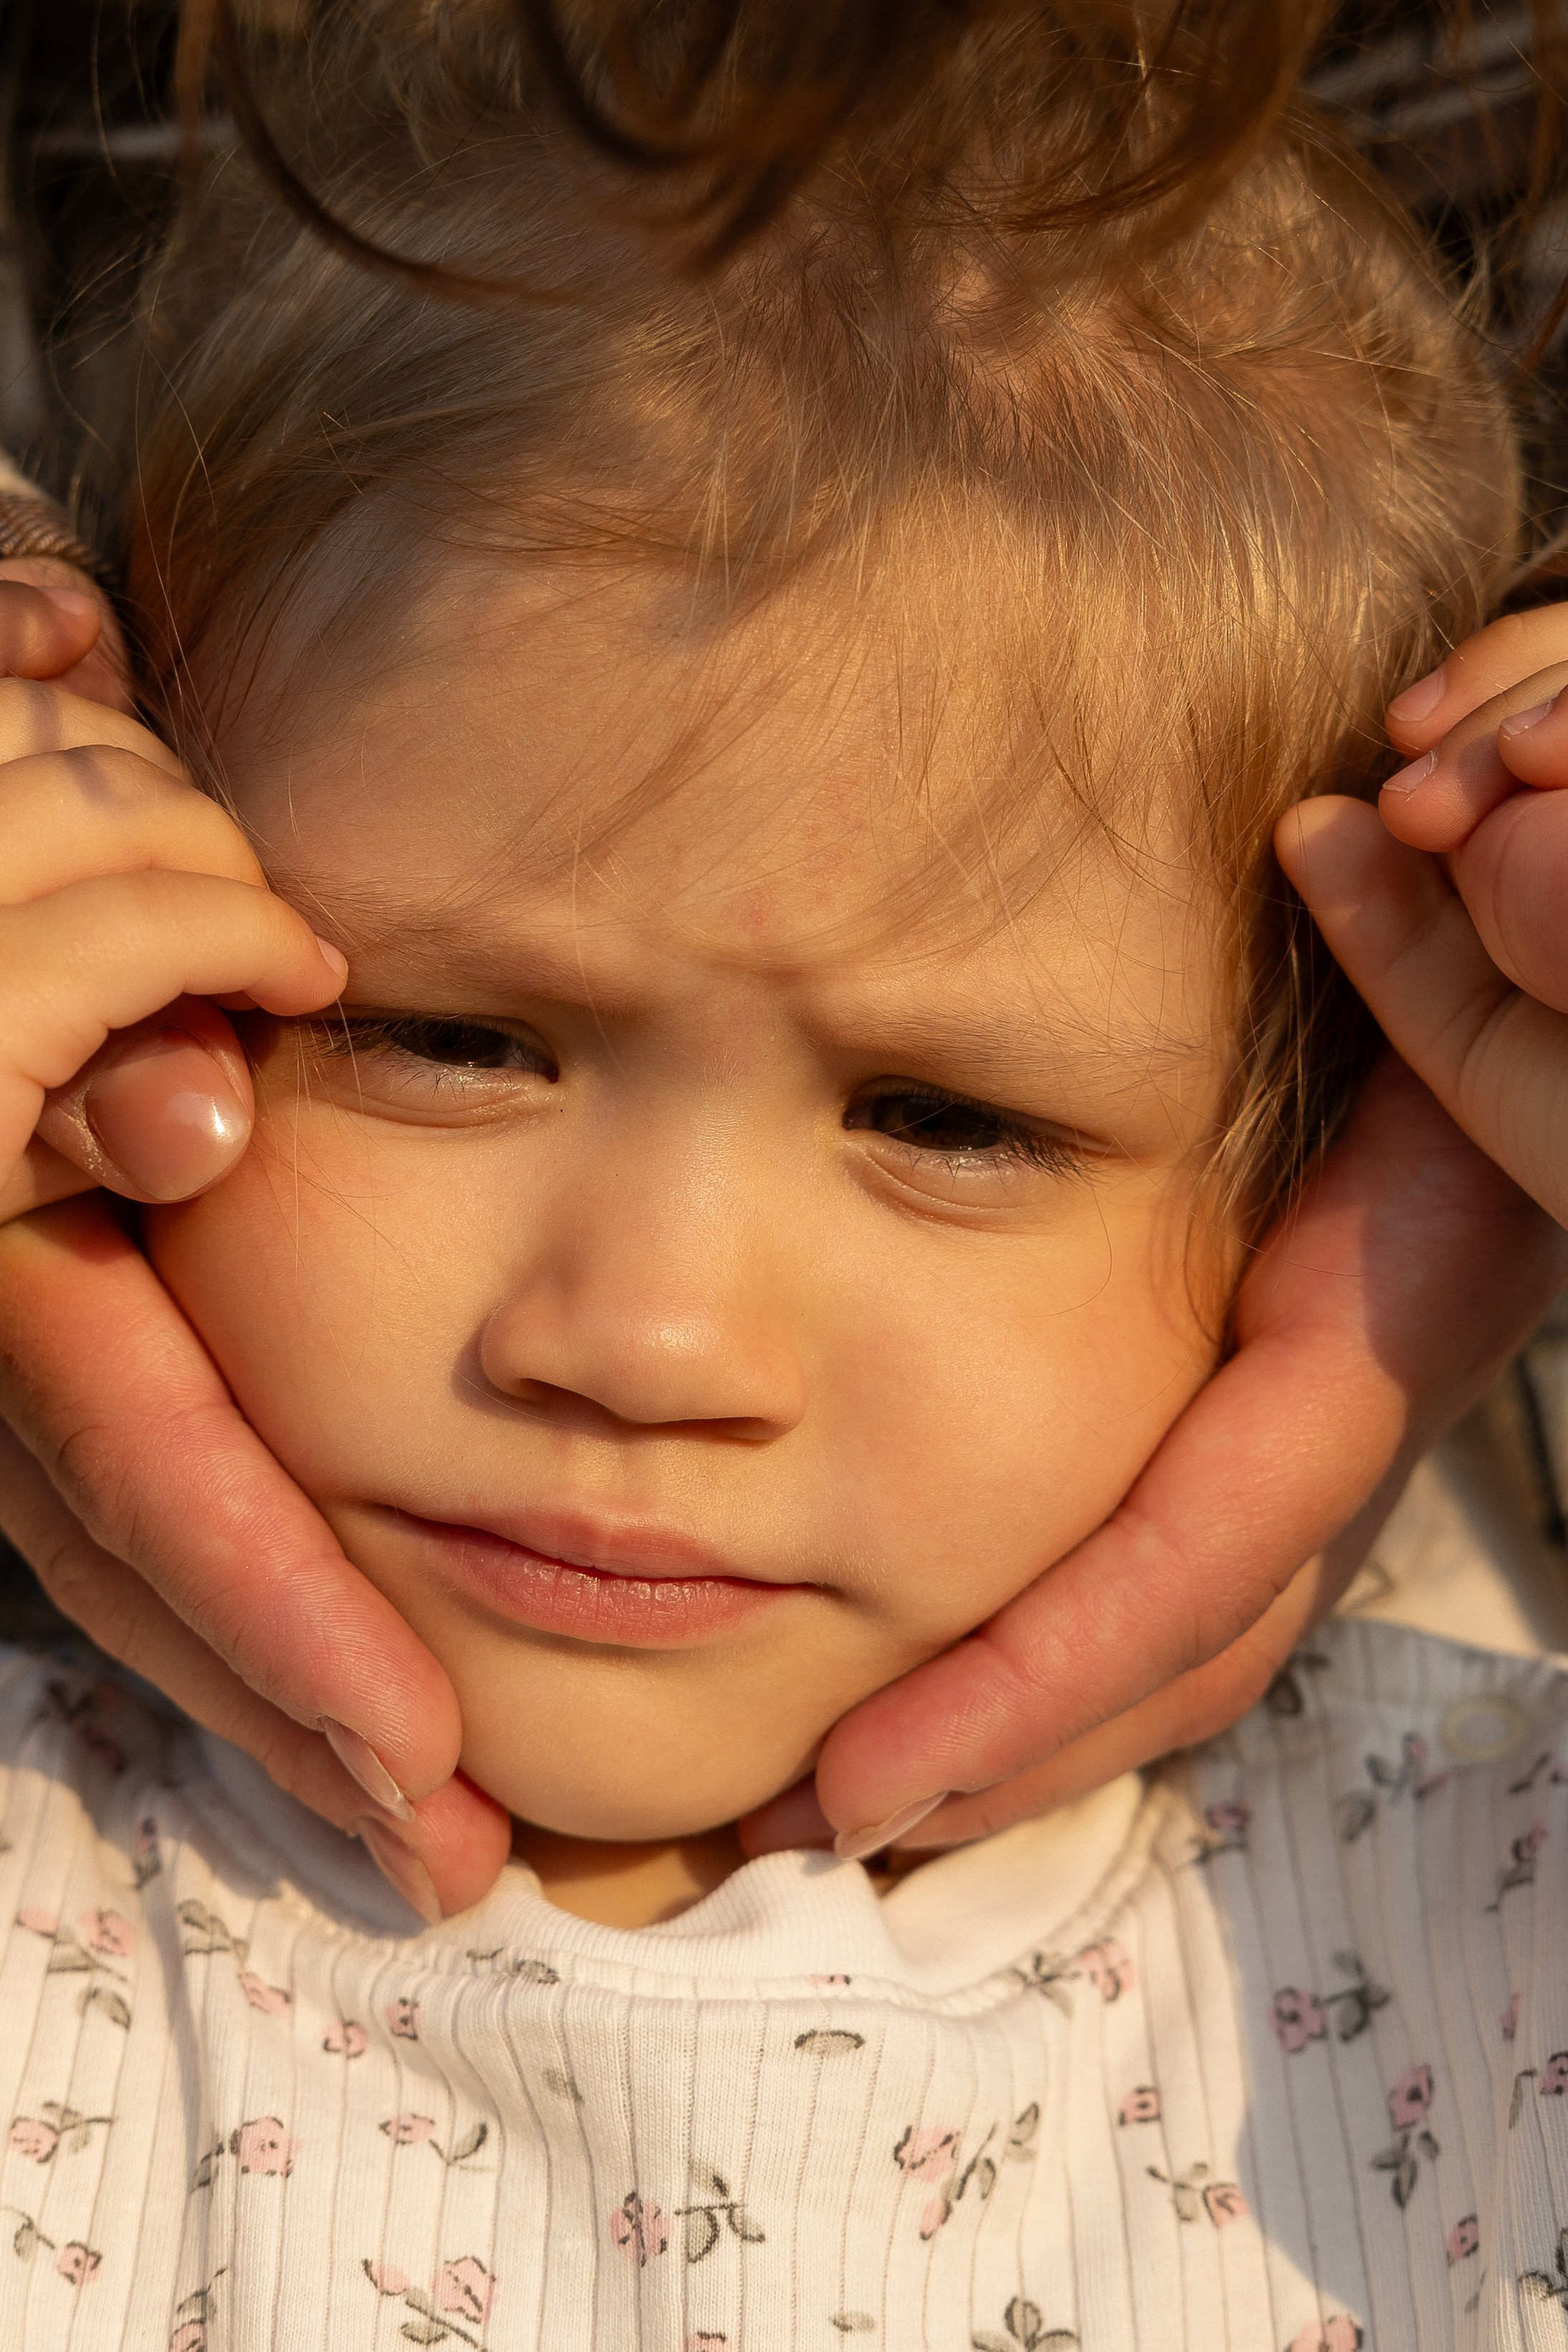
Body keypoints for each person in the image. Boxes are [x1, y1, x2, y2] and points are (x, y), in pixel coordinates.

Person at [0, 9, 1566, 2345]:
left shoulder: (1492, 1915)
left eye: (942, 1116)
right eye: (450, 1036)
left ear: (1318, 1140)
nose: (645, 1340)